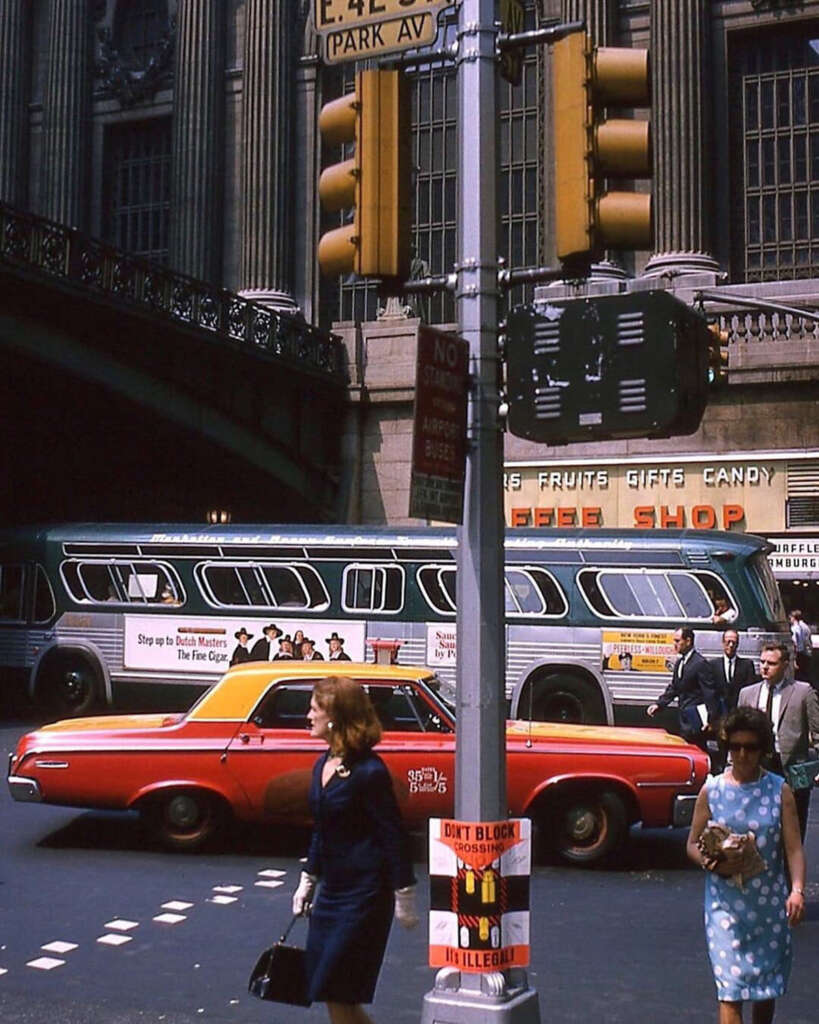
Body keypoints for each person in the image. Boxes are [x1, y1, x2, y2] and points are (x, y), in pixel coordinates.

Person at [292, 676, 418, 1023]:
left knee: (339, 987)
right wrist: (308, 880)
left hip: (364, 896)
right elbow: (323, 828)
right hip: (331, 893)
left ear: (335, 716)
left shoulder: (369, 772)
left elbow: (393, 835)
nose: (308, 715)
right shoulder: (323, 764)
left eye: (314, 708)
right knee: (330, 991)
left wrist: (403, 894)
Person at [687, 706, 805, 1024]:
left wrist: (796, 891)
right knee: (731, 989)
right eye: (735, 747)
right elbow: (691, 845)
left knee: (765, 989)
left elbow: (793, 848)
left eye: (750, 747)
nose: (742, 754)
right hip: (725, 906)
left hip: (768, 905)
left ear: (762, 749)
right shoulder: (712, 790)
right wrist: (711, 864)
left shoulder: (779, 791)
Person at [738, 642, 819, 841]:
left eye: (771, 663)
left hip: (791, 769)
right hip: (757, 766)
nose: (764, 667)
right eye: (762, 662)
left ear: (785, 665)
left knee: (793, 830)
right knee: (755, 828)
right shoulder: (748, 694)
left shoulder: (802, 692)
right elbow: (737, 734)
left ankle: (791, 870)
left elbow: (818, 733)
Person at [646, 627, 720, 750]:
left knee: (697, 750)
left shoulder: (700, 663)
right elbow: (675, 687)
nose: (674, 644)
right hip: (683, 718)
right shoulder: (680, 663)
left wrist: (711, 719)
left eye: (677, 641)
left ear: (688, 641)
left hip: (695, 720)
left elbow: (709, 693)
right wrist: (659, 704)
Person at [710, 629, 758, 714]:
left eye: (734, 642)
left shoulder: (747, 665)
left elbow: (750, 689)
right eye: (728, 642)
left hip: (739, 712)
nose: (731, 645)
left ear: (738, 644)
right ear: (723, 643)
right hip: (719, 712)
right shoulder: (713, 665)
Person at [789, 610, 812, 680]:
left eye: (790, 618)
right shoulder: (805, 626)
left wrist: (794, 658)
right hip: (807, 652)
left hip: (799, 653)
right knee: (805, 673)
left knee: (799, 675)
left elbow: (795, 642)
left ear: (793, 618)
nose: (790, 620)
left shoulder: (795, 628)